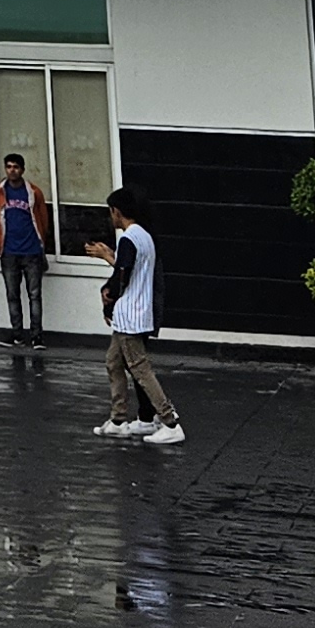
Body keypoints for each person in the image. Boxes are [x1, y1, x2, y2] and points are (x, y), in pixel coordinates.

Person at [85, 187, 183, 443]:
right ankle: (118, 419)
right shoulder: (145, 237)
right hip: (134, 312)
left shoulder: (129, 239)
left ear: (117, 211)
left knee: (140, 368)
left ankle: (170, 422)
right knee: (114, 362)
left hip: (130, 314)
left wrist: (109, 299)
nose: (111, 217)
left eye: (111, 212)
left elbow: (123, 274)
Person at [0, 150, 52, 349]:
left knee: (34, 294)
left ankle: (37, 336)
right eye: (9, 167)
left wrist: (41, 242)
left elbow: (43, 219)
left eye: (16, 167)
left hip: (31, 250)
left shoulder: (33, 192)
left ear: (23, 169)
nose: (12, 171)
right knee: (12, 294)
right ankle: (17, 334)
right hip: (9, 251)